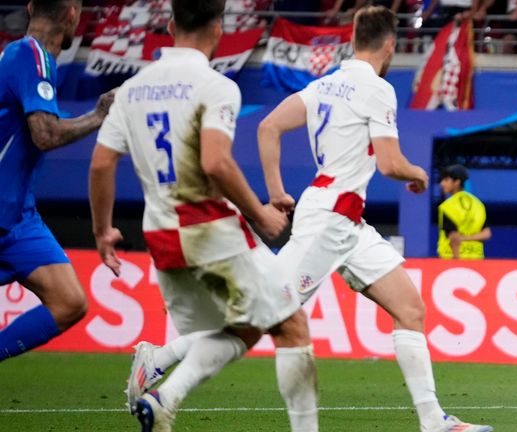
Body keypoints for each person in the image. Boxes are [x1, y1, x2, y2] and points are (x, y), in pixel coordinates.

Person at [257, 6, 493, 432]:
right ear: (390, 45)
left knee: (410, 308)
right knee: (265, 311)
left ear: (352, 40)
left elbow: (267, 128)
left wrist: (276, 192)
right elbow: (389, 163)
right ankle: (163, 363)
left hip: (347, 220)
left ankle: (433, 420)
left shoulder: (322, 85)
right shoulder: (378, 88)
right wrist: (418, 173)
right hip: (329, 217)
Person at [88, 0, 317, 430]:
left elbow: (101, 163)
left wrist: (102, 232)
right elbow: (215, 162)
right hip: (208, 229)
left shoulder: (132, 89)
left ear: (171, 25)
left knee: (244, 327)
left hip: (161, 236)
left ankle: (162, 388)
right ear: (219, 29)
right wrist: (261, 215)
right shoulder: (216, 86)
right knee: (291, 325)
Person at [0, 0, 115, 362]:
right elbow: (45, 134)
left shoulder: (32, 59)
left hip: (19, 215)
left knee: (69, 302)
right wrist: (98, 115)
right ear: (72, 15)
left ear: (32, 7)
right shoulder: (29, 55)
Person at [437, 164, 491, 259]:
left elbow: (453, 238)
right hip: (476, 259)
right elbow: (486, 234)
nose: (442, 184)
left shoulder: (447, 206)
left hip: (451, 258)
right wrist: (466, 238)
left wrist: (457, 261)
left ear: (457, 182)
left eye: (446, 180)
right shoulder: (478, 204)